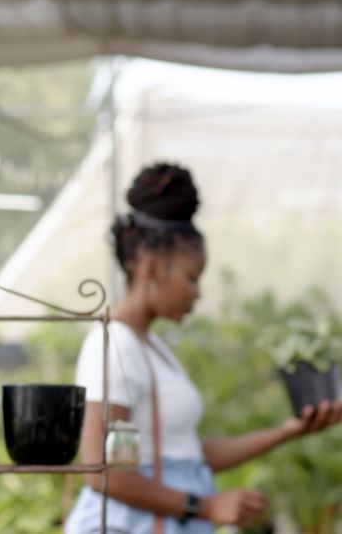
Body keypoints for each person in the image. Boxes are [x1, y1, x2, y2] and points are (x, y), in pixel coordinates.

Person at [65, 162, 342, 533]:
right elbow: (100, 471)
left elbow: (187, 453)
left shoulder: (152, 348)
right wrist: (205, 506)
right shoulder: (114, 344)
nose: (197, 294)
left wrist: (288, 431)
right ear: (152, 267)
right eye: (191, 278)